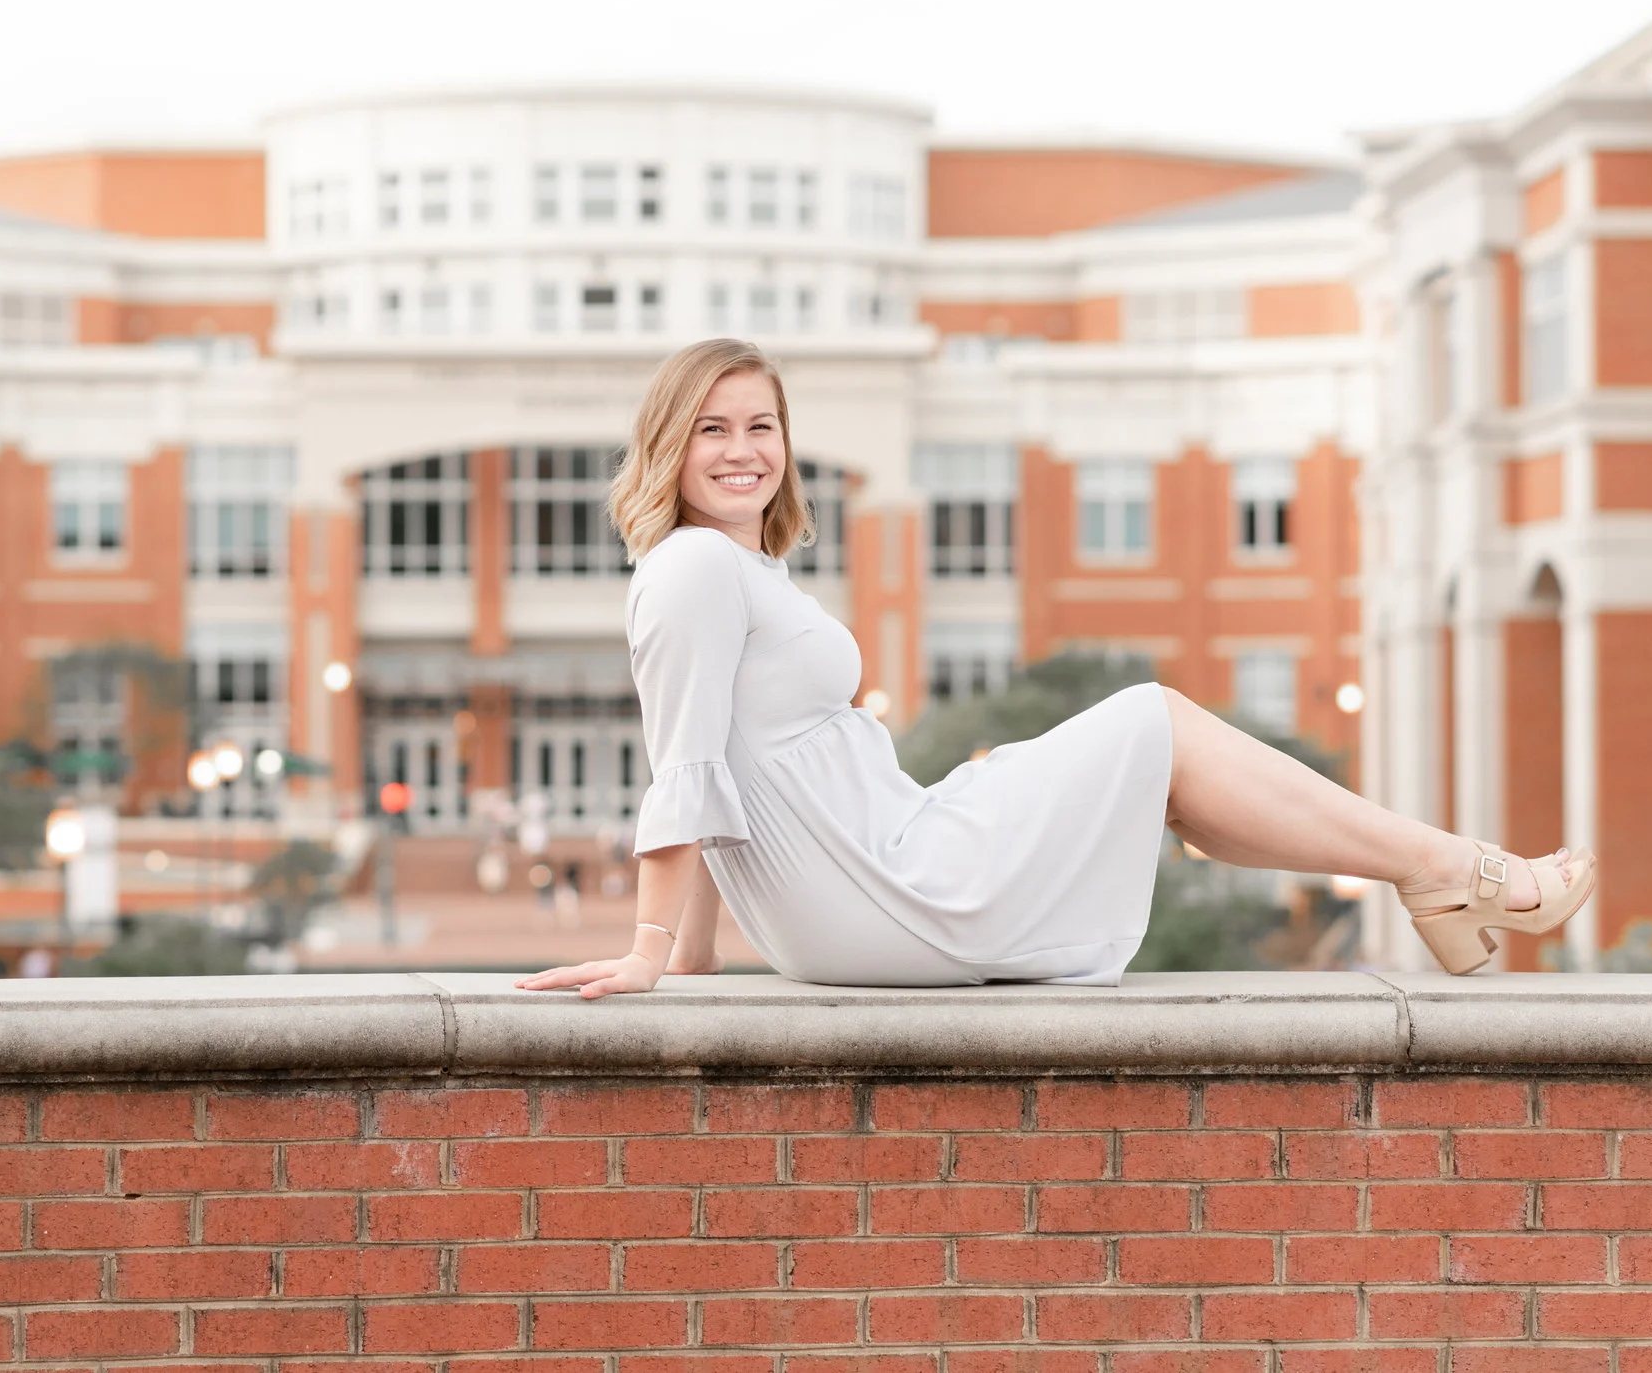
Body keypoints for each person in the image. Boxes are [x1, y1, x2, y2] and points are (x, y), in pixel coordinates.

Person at [518, 339, 1594, 999]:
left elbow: (708, 768)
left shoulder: (733, 566)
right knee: (1154, 721)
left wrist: (699, 960)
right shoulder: (694, 567)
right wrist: (655, 950)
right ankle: (1458, 873)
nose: (742, 448)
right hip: (890, 887)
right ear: (669, 444)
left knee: (1171, 774)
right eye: (711, 428)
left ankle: (1439, 878)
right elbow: (687, 767)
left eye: (762, 425)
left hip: (874, 881)